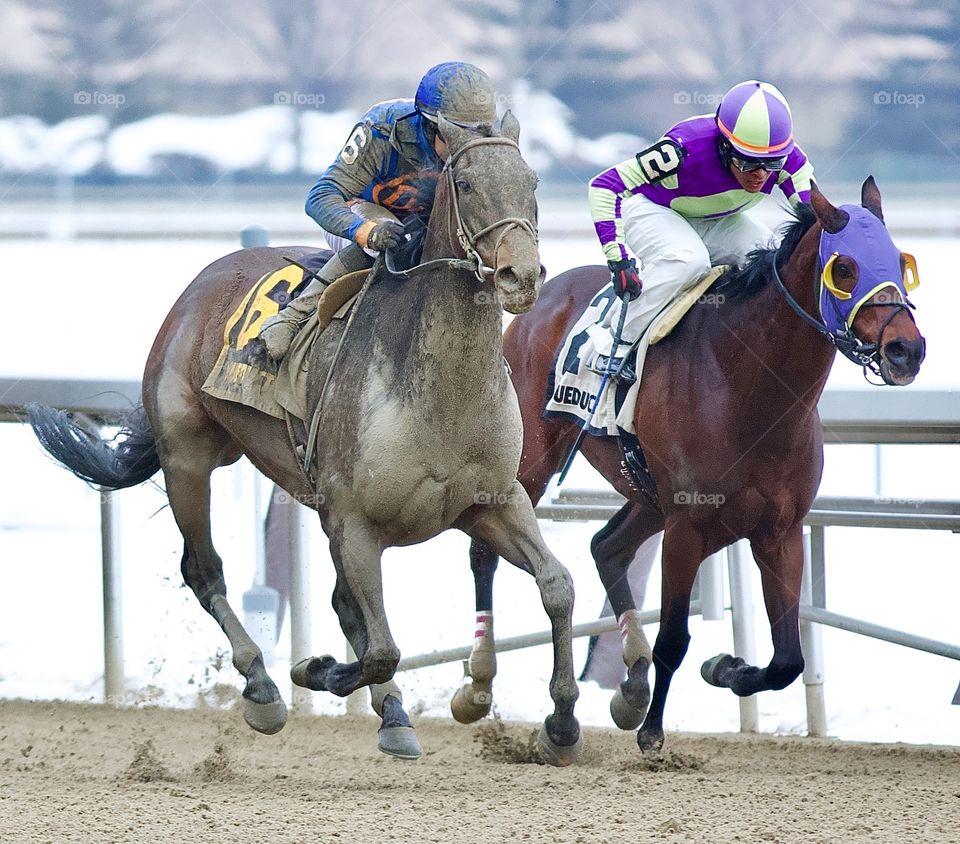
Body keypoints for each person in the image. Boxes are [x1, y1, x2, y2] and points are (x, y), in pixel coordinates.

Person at [260, 61, 496, 360]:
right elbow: (320, 197)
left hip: (426, 222)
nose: (470, 145)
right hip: (362, 214)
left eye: (477, 134)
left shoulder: (486, 144)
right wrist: (367, 232)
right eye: (458, 135)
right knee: (395, 241)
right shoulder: (380, 129)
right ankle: (293, 316)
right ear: (430, 126)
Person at [585, 80, 814, 378]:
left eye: (772, 163)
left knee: (772, 260)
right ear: (724, 147)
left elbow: (816, 224)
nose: (760, 175)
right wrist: (618, 260)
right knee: (688, 260)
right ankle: (613, 342)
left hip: (712, 216)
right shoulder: (683, 148)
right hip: (651, 207)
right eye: (747, 162)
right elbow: (604, 186)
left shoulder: (790, 160)